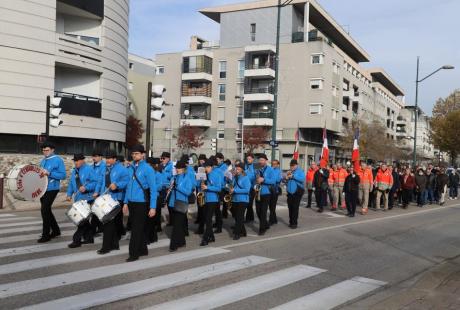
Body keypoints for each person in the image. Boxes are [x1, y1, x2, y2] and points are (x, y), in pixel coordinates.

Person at [122, 144, 157, 262]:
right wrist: (125, 202)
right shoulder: (130, 167)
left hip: (142, 203)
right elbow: (128, 186)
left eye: (136, 153)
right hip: (131, 202)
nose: (134, 155)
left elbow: (153, 189)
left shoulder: (148, 169)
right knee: (138, 228)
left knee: (136, 229)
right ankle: (143, 250)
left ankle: (133, 253)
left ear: (143, 154)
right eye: (133, 153)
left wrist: (153, 207)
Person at [97, 150, 129, 255]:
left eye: (110, 158)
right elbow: (101, 181)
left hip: (116, 198)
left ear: (115, 159)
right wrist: (98, 192)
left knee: (108, 222)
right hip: (106, 197)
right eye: (107, 158)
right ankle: (115, 244)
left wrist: (117, 185)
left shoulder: (122, 169)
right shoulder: (105, 168)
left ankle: (106, 247)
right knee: (112, 223)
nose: (108, 160)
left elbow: (127, 182)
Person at [66, 154, 98, 248]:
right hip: (78, 199)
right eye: (75, 160)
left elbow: (95, 182)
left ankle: (76, 240)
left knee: (81, 221)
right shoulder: (74, 171)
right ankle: (89, 239)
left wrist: (86, 188)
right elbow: (71, 184)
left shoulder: (89, 169)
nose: (76, 162)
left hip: (87, 198)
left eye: (78, 160)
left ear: (83, 160)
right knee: (85, 221)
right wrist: (69, 194)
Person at [38, 141, 66, 243]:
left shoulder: (58, 160)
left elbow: (63, 175)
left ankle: (46, 235)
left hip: (52, 188)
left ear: (52, 150)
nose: (45, 152)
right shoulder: (43, 160)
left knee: (44, 210)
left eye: (47, 150)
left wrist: (49, 173)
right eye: (43, 150)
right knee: (47, 210)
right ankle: (56, 230)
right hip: (43, 189)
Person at [168, 160, 193, 252]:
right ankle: (182, 242)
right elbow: (170, 189)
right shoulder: (173, 178)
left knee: (177, 226)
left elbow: (188, 192)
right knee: (177, 224)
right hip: (172, 203)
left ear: (184, 169)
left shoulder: (187, 178)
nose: (177, 169)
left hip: (182, 203)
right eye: (177, 168)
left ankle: (173, 245)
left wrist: (178, 187)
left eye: (179, 168)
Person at [199, 159, 222, 246]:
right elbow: (200, 186)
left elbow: (218, 188)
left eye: (208, 167)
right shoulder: (204, 175)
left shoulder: (216, 175)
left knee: (208, 219)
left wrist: (208, 187)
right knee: (206, 219)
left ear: (211, 167)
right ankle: (212, 236)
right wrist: (200, 183)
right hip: (205, 199)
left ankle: (206, 239)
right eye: (205, 167)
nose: (206, 168)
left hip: (213, 199)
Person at [255, 154, 275, 235]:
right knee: (258, 211)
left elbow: (273, 181)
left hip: (266, 193)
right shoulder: (257, 168)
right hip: (257, 192)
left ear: (266, 161)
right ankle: (265, 224)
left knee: (263, 212)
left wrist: (264, 180)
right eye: (259, 160)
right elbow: (253, 177)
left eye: (262, 160)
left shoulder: (270, 169)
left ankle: (262, 229)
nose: (260, 161)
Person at [229, 162, 251, 239]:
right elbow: (232, 187)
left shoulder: (245, 178)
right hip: (235, 200)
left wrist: (235, 190)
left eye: (238, 169)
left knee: (239, 217)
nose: (237, 170)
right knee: (237, 217)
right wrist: (231, 179)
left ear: (242, 170)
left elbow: (247, 190)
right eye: (236, 168)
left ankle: (237, 234)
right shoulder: (235, 177)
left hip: (243, 200)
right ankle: (243, 231)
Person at [146, 157, 163, 243]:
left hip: (155, 196)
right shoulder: (147, 173)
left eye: (149, 164)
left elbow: (160, 186)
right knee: (148, 219)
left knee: (153, 218)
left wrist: (151, 188)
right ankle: (150, 236)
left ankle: (152, 237)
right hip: (146, 197)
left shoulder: (158, 174)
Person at [285, 159, 306, 228]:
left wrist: (293, 176)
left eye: (293, 165)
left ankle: (294, 223)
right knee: (290, 207)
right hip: (290, 192)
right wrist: (286, 178)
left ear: (296, 165)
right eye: (291, 165)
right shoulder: (289, 171)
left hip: (297, 192)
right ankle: (291, 221)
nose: (292, 167)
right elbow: (285, 181)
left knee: (295, 207)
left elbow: (302, 179)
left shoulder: (300, 171)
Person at [91, 150, 106, 234]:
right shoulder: (91, 166)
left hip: (100, 192)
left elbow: (101, 181)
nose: (94, 158)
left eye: (96, 156)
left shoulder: (103, 167)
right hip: (93, 192)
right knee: (96, 211)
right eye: (93, 156)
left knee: (95, 211)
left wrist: (98, 192)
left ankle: (93, 231)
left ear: (100, 157)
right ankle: (100, 227)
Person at [160, 152, 174, 225]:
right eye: (161, 158)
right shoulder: (161, 165)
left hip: (168, 188)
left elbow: (172, 176)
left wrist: (170, 186)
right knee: (164, 204)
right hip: (162, 187)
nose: (162, 159)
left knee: (170, 205)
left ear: (168, 158)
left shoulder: (171, 166)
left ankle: (172, 220)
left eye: (163, 158)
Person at [194, 154, 207, 226]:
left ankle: (203, 219)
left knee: (202, 204)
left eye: (202, 159)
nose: (201, 161)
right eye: (200, 159)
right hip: (198, 187)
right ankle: (199, 218)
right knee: (199, 204)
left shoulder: (206, 167)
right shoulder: (198, 167)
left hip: (202, 187)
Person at [269, 159, 282, 225]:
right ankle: (274, 219)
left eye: (275, 164)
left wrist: (272, 178)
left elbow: (278, 179)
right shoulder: (270, 170)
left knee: (273, 206)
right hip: (269, 189)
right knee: (270, 206)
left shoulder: (279, 171)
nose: (273, 165)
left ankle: (271, 220)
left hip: (275, 189)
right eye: (272, 164)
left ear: (277, 165)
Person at [244, 154, 256, 222]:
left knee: (249, 203)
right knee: (248, 203)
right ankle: (251, 217)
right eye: (247, 159)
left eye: (249, 159)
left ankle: (249, 218)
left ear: (252, 159)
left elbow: (256, 176)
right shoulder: (245, 166)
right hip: (245, 187)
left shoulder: (255, 166)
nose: (248, 160)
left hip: (252, 188)